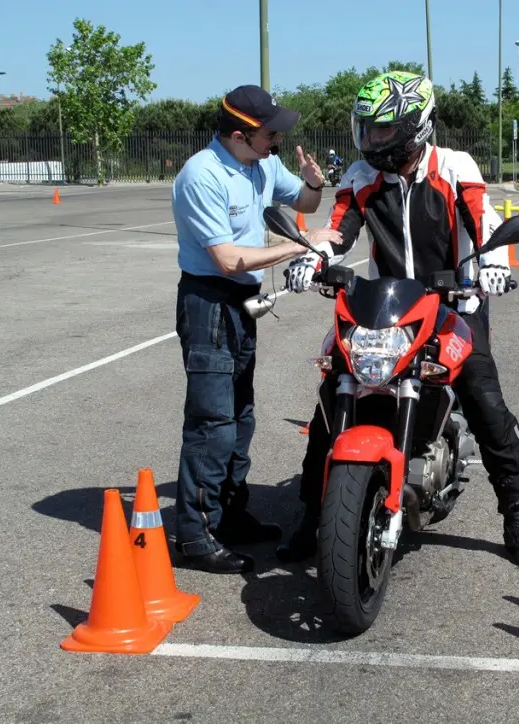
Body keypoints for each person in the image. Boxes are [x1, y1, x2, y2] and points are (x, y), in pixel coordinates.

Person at [276, 70, 519, 569]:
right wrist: (312, 256)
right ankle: (312, 516)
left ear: (415, 126)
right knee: (330, 402)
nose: (372, 140)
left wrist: (492, 265)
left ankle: (517, 517)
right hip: (383, 305)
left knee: (487, 408)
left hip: (455, 301)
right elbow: (339, 230)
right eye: (368, 129)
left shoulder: (454, 166)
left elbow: (482, 219)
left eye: (382, 130)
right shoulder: (361, 176)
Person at [171, 85, 343, 574]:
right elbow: (226, 260)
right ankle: (196, 535)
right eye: (271, 133)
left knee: (240, 416)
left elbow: (303, 199)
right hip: (209, 300)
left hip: (242, 301)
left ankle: (229, 514)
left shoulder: (261, 163)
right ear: (241, 134)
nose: (279, 141)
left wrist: (315, 184)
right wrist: (299, 246)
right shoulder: (201, 176)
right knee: (212, 422)